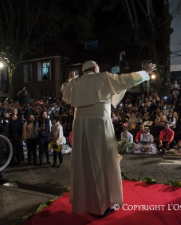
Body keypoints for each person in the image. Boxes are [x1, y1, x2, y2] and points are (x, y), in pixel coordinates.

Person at [61, 60, 156, 217]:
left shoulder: (74, 83)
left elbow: (64, 89)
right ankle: (102, 205)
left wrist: (71, 78)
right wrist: (145, 72)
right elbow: (125, 80)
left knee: (84, 164)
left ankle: (85, 202)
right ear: (95, 69)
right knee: (102, 162)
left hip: (79, 126)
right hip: (99, 125)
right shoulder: (103, 77)